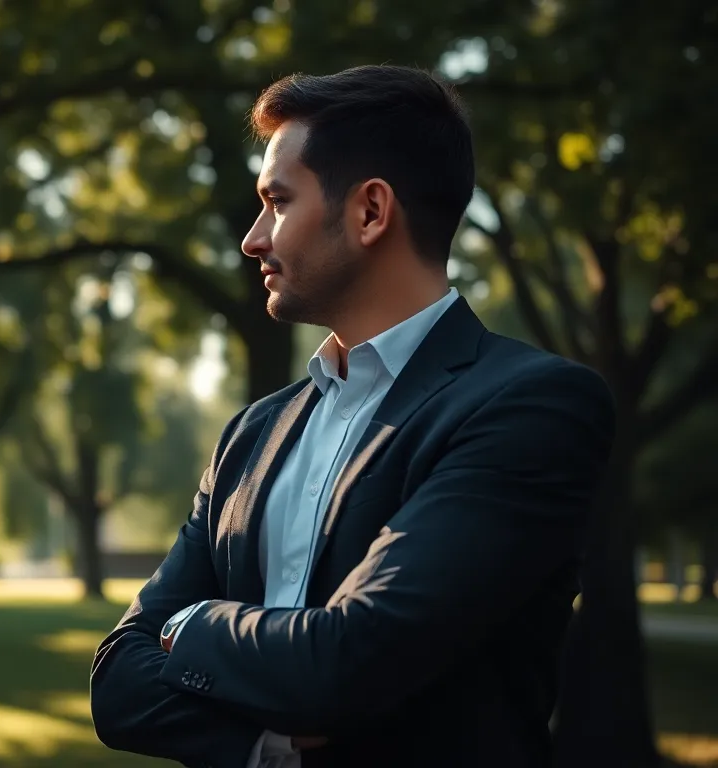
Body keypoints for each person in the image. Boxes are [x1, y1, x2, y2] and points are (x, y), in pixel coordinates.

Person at [89, 65, 615, 768]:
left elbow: (350, 660)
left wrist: (192, 624)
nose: (253, 238)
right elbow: (118, 684)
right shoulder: (251, 436)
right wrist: (265, 747)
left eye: (277, 202)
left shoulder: (529, 408)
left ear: (370, 211)